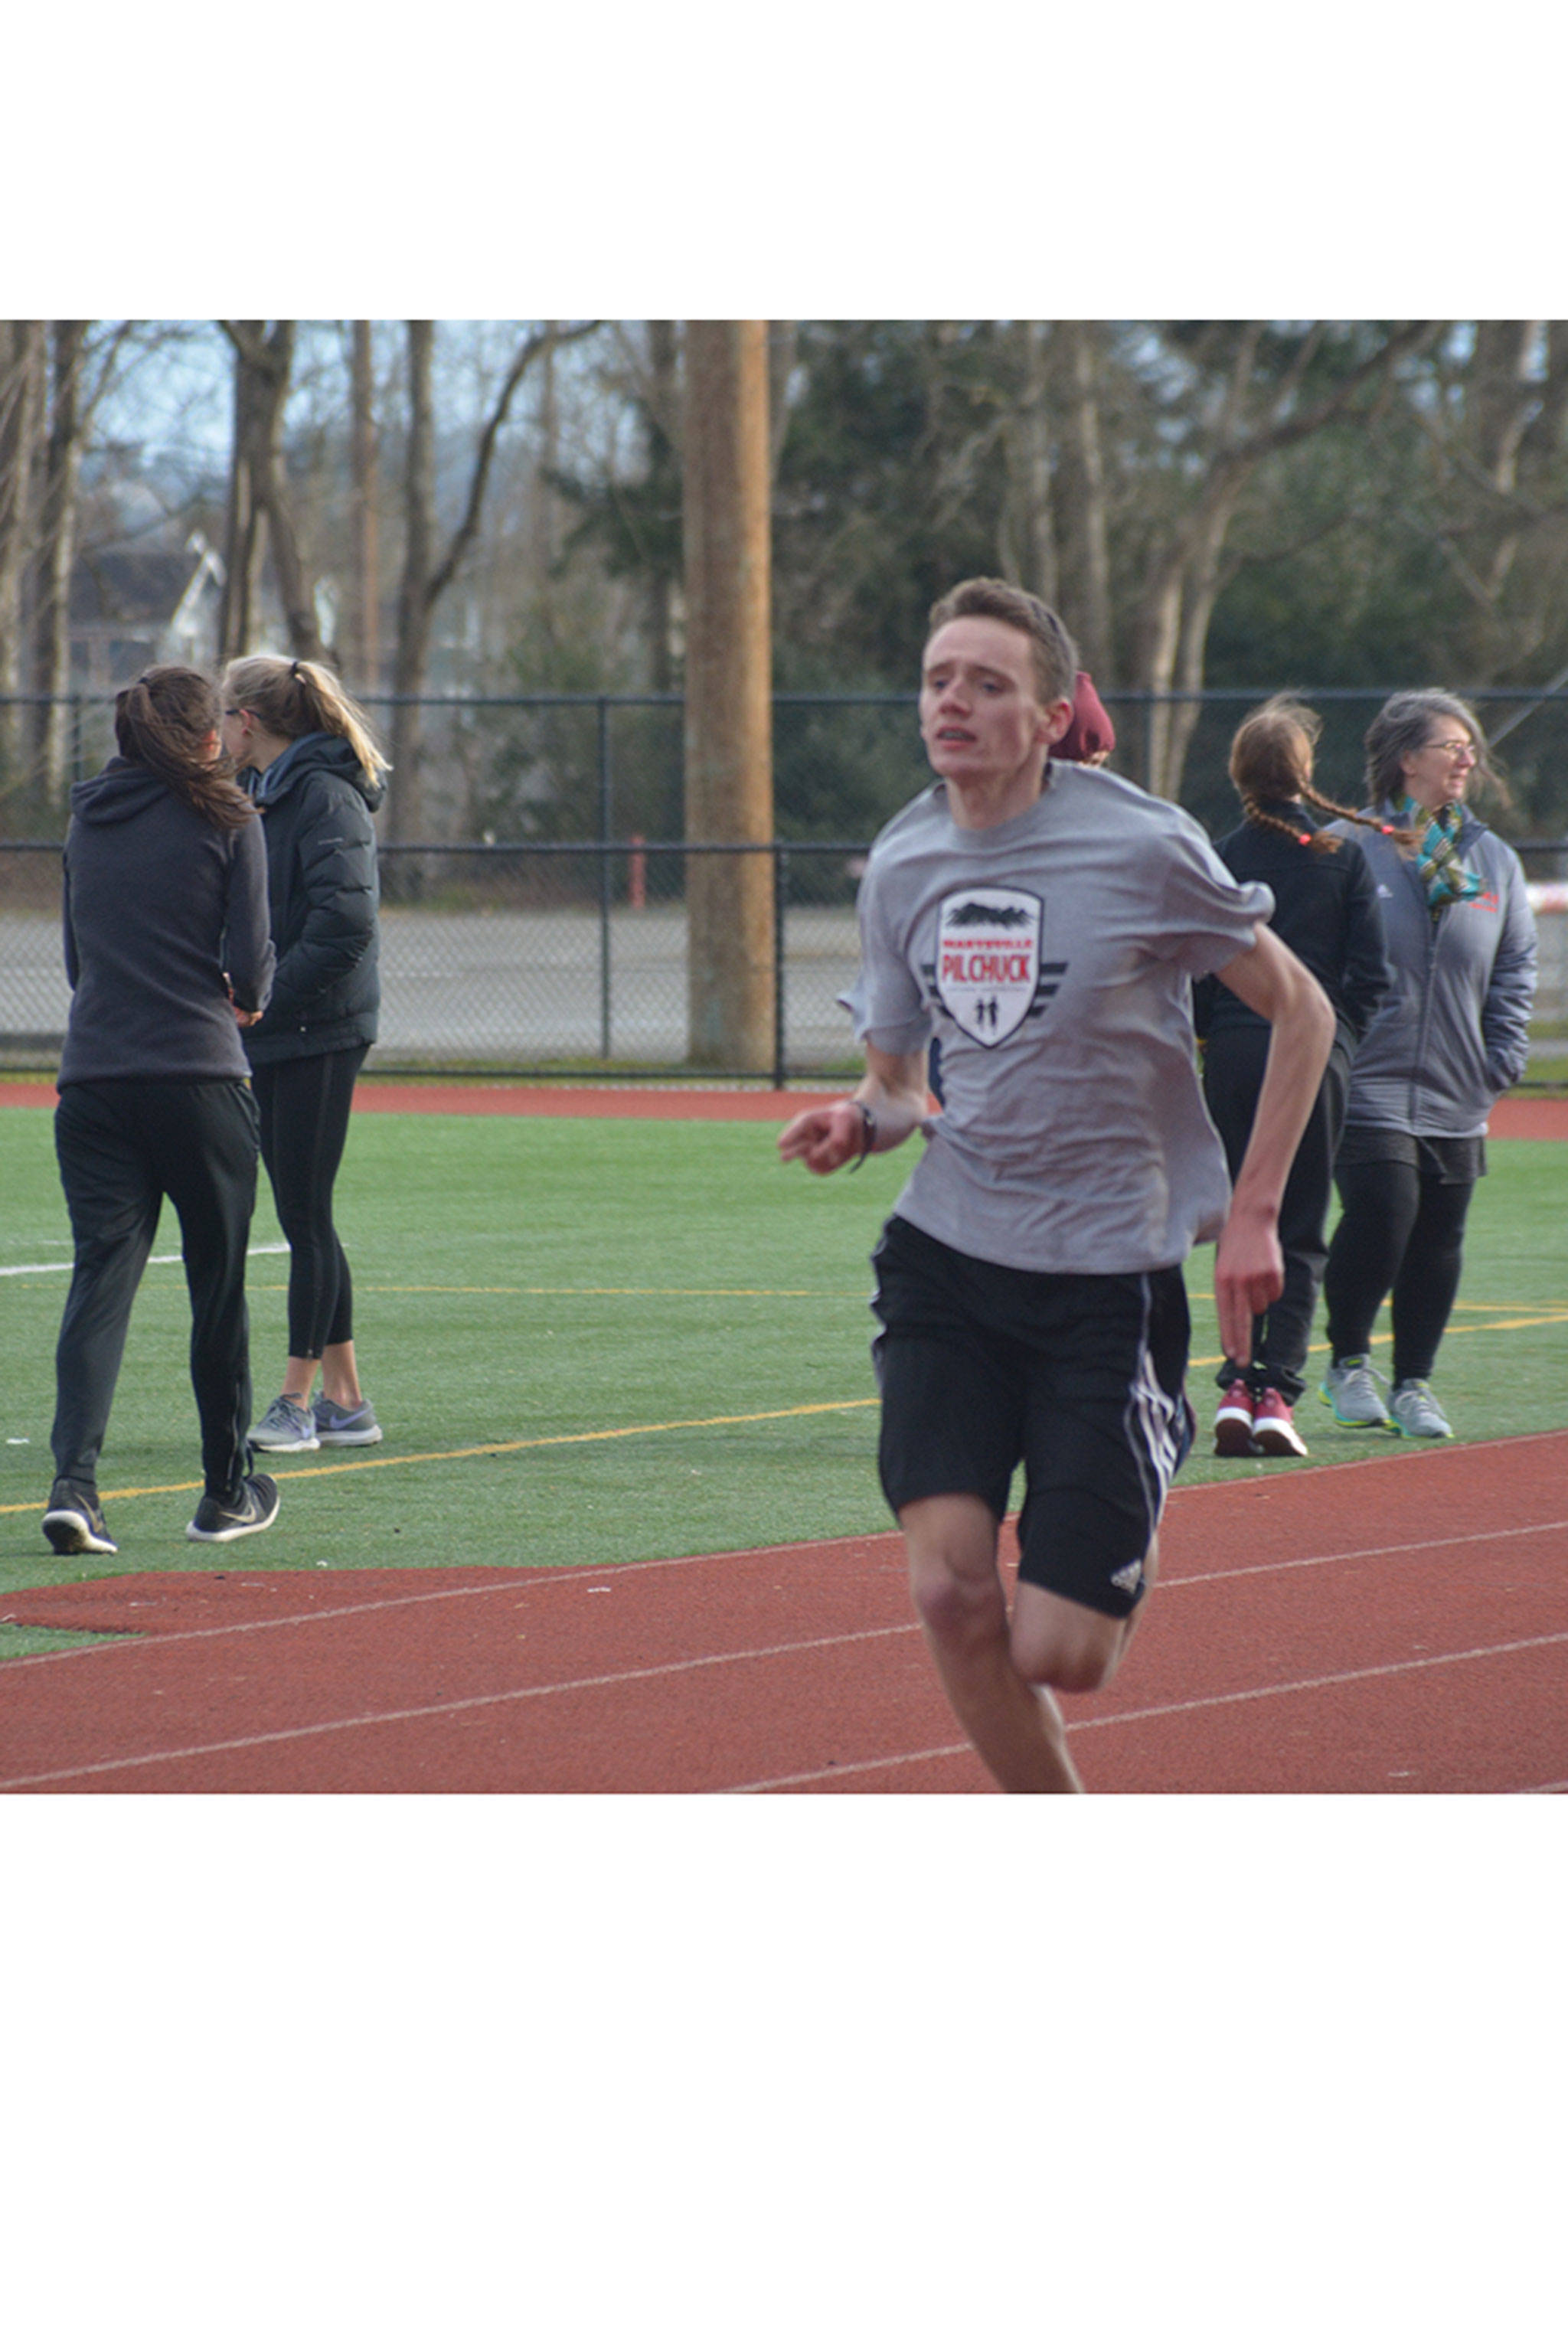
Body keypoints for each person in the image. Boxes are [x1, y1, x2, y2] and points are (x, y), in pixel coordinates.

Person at [778, 579, 1334, 1794]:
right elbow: (899, 1084)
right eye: (938, 681)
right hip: (951, 1261)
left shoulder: (1138, 844)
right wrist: (858, 1124)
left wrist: (1252, 1213)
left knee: (1063, 1651)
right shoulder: (904, 863)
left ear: (1047, 713)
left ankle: (1146, 1444)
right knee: (948, 1589)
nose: (955, 703)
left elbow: (1303, 1007)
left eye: (987, 684)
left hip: (1108, 1281)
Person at [42, 665, 280, 1554]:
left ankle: (75, 1487)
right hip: (199, 1079)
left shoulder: (86, 821)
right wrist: (240, 993)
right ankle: (225, 1492)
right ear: (204, 736)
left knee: (100, 1281)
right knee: (215, 1287)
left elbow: (77, 963)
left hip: (95, 1079)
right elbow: (252, 971)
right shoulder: (230, 819)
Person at [1318, 691, 1537, 1440]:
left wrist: (1500, 1056)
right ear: (1406, 759)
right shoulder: (1349, 846)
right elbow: (1311, 962)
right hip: (1366, 1079)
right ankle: (1346, 1360)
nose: (1466, 759)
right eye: (1451, 745)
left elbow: (1513, 962)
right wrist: (1332, 1049)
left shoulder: (1486, 857)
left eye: (1469, 747)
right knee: (1383, 1212)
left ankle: (1413, 1383)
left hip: (1455, 1083)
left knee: (1439, 1236)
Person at [1194, 699, 1391, 1459]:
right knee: (1299, 1224)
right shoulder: (1339, 859)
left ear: (1238, 774)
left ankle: (1235, 1383)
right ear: (1304, 775)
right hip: (1311, 1058)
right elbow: (1369, 978)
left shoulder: (1216, 856)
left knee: (1240, 1214)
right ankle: (1274, 1387)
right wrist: (1336, 1042)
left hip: (1233, 1056)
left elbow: (1197, 971)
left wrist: (1214, 1037)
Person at [219, 655, 388, 1455]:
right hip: (283, 1028)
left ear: (247, 721)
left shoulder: (321, 793)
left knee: (304, 1214)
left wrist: (266, 996)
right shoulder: (264, 791)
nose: (216, 732)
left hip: (320, 1030)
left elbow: (344, 925)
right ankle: (347, 1400)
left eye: (223, 717)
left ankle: (295, 1400)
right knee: (301, 1208)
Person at [926, 666, 1116, 1108]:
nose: (1098, 781)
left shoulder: (1121, 841)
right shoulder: (970, 836)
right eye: (1089, 765)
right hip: (993, 1049)